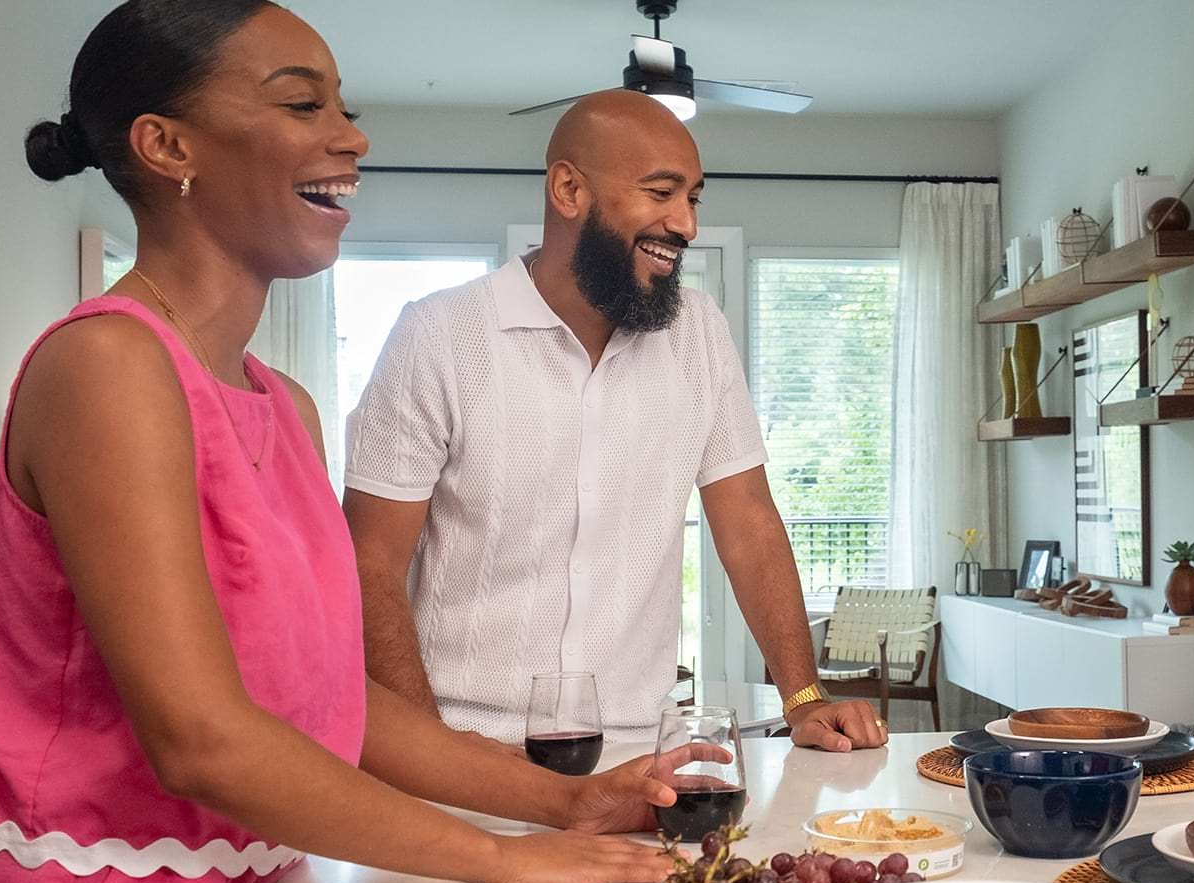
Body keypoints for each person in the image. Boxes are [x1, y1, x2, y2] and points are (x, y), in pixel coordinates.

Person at [0, 6, 697, 883]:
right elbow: (202, 739)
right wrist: (497, 860)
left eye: (345, 108)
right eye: (303, 104)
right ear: (166, 147)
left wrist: (567, 801)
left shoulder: (283, 405)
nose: (351, 135)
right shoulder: (109, 371)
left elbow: (332, 713)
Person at [342, 89, 886, 753]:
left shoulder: (702, 335)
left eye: (693, 198)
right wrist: (432, 750)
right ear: (569, 190)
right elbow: (369, 563)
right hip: (464, 743)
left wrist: (803, 697)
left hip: (634, 751)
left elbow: (747, 521)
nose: (685, 224)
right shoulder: (438, 335)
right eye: (661, 193)